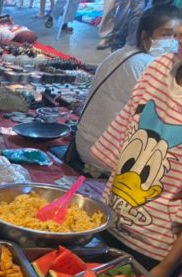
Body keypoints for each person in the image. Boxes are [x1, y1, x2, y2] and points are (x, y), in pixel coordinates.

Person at [91, 22, 182, 277]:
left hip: (156, 249)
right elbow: (125, 145)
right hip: (108, 220)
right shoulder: (159, 67)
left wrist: (165, 268)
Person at [76, 4, 180, 173]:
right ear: (145, 36)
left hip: (87, 143)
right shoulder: (148, 66)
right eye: (166, 34)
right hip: (107, 156)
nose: (173, 42)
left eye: (178, 36)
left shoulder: (123, 53)